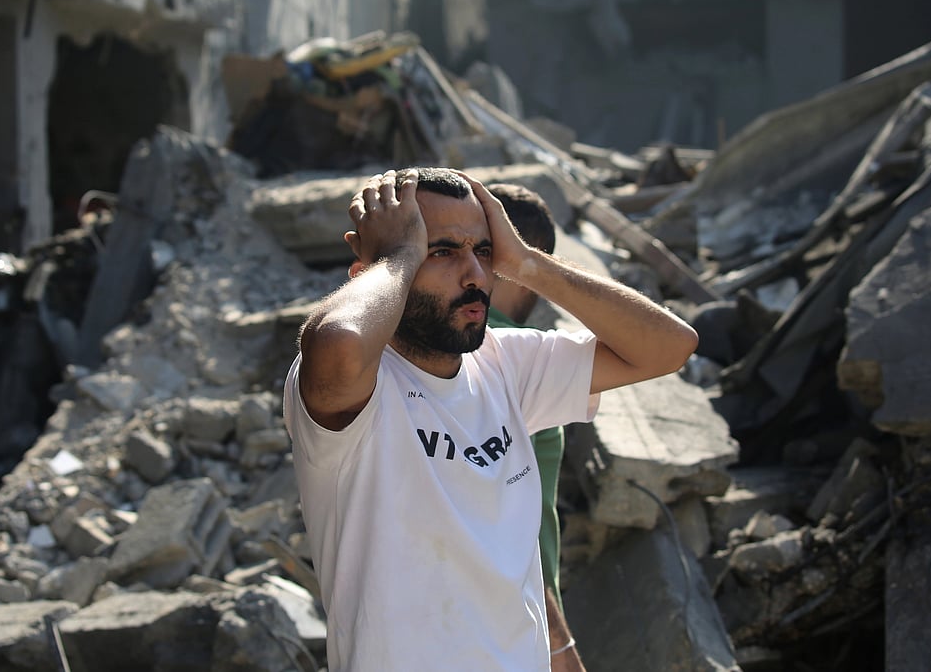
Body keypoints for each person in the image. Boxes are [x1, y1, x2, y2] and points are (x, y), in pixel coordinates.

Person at [283, 167, 697, 671]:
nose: (475, 276)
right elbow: (340, 345)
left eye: (482, 251)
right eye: (441, 251)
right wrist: (397, 255)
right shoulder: (358, 389)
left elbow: (670, 347)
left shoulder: (509, 366)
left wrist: (526, 263)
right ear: (369, 271)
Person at [484, 183, 567, 610]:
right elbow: (513, 519)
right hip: (519, 623)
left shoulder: (427, 347)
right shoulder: (522, 356)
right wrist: (558, 639)